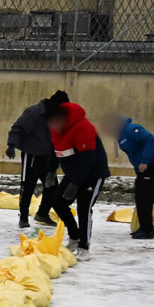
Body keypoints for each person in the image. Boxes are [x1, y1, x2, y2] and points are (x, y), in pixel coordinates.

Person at [46, 102, 110, 261]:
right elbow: (55, 150)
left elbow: (88, 160)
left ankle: (84, 247)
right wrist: (51, 171)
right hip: (74, 172)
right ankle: (75, 236)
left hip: (93, 173)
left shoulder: (83, 128)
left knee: (84, 208)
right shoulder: (55, 128)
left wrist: (75, 184)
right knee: (57, 202)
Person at [6, 90, 69, 230]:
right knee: (27, 187)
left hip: (48, 157)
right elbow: (18, 127)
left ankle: (42, 214)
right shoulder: (35, 112)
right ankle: (23, 218)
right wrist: (11, 145)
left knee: (52, 187)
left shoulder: (58, 116)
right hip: (32, 155)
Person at [115, 115, 154, 239]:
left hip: (152, 165)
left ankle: (147, 230)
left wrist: (144, 161)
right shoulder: (120, 137)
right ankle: (145, 227)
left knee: (145, 197)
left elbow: (151, 140)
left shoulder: (132, 129)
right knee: (139, 196)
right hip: (142, 169)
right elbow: (133, 154)